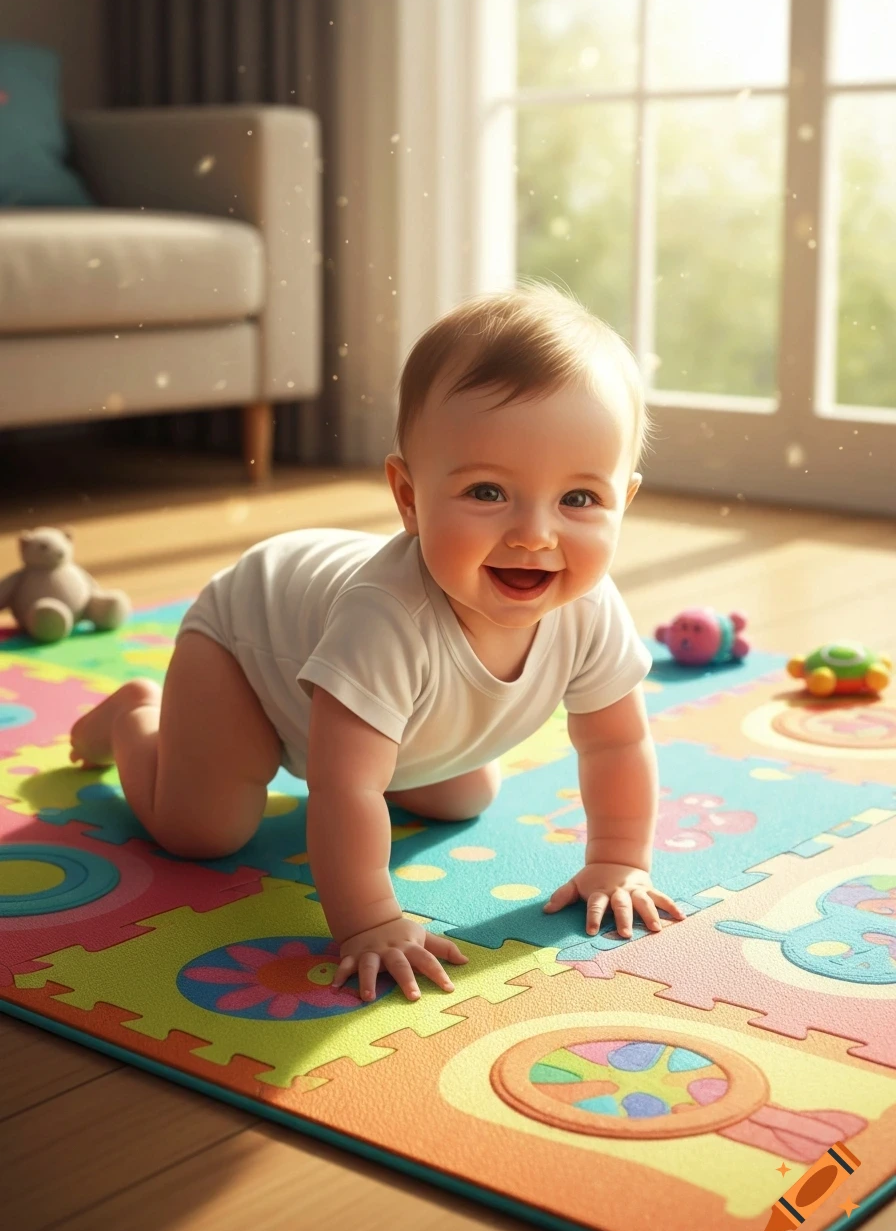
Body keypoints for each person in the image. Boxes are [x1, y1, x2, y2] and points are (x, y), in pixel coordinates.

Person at [70, 282, 686, 1004]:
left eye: (579, 499)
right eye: (488, 491)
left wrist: (618, 860)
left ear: (625, 501)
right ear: (408, 497)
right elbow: (343, 787)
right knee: (202, 829)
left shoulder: (589, 607)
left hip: (387, 707)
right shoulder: (385, 618)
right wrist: (369, 922)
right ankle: (135, 719)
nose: (535, 534)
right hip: (245, 650)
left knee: (462, 797)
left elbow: (615, 744)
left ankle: (399, 738)